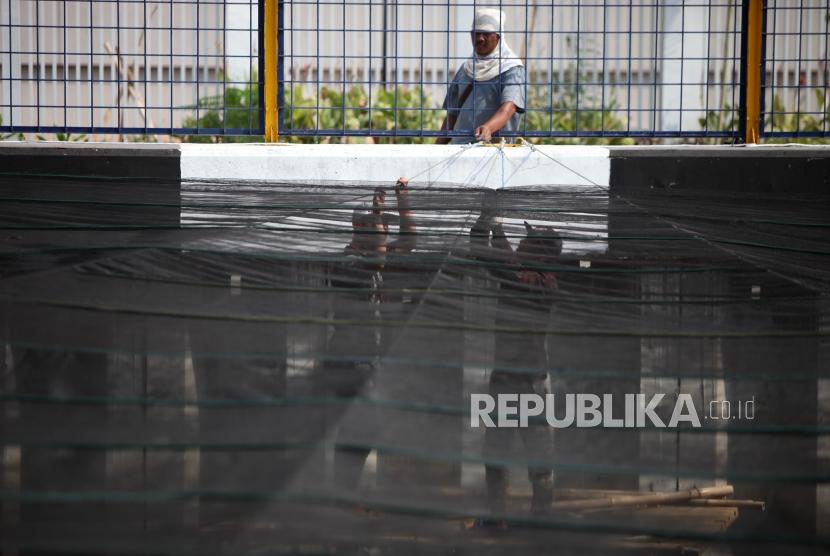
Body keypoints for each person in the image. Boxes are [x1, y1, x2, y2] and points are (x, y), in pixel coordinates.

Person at [469, 192, 561, 521]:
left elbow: (488, 257)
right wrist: (496, 227)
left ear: (539, 254)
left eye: (528, 242)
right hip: (514, 379)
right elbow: (503, 257)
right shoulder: (530, 275)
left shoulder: (534, 282)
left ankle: (537, 518)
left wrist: (488, 222)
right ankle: (500, 517)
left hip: (525, 382)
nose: (521, 245)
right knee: (499, 454)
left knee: (536, 457)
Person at [437, 8, 526, 144]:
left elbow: (509, 108)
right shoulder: (466, 68)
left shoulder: (512, 68)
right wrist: (436, 149)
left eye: (486, 34)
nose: (480, 38)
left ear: (498, 36)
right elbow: (452, 115)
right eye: (476, 33)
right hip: (458, 152)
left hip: (494, 152)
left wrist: (488, 128)